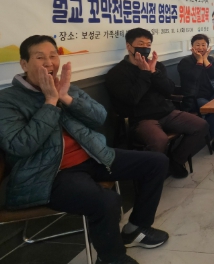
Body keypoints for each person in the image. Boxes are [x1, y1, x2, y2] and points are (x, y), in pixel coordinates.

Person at [0, 35, 169, 264]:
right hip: (50, 173)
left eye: (53, 56)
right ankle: (111, 259)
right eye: (40, 57)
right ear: (24, 64)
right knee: (107, 201)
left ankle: (136, 228)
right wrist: (50, 102)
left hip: (93, 155)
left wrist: (65, 97)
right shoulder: (7, 100)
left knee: (156, 162)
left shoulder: (65, 86)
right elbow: (20, 145)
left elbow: (99, 117)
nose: (49, 62)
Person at [106, 28, 209, 179]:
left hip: (167, 112)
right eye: (141, 44)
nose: (145, 47)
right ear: (129, 46)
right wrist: (144, 73)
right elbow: (132, 99)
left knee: (201, 125)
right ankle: (151, 174)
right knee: (159, 140)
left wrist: (154, 72)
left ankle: (175, 161)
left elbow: (169, 90)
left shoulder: (156, 65)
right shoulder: (117, 73)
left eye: (148, 44)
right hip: (141, 119)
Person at [177, 34, 214, 155]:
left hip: (210, 93)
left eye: (203, 45)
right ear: (192, 46)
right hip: (194, 98)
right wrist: (200, 61)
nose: (200, 48)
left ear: (207, 47)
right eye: (197, 45)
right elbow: (193, 77)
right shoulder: (185, 62)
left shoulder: (210, 59)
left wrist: (205, 59)